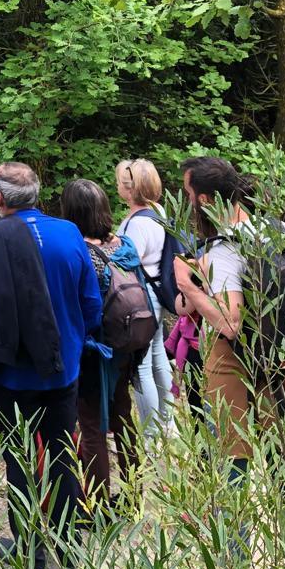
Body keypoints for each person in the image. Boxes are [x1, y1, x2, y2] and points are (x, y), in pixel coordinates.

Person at [0, 162, 101, 569]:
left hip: (12, 378)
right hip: (62, 371)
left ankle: (30, 553)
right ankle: (70, 548)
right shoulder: (69, 234)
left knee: (19, 460)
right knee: (62, 455)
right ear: (38, 194)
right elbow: (92, 305)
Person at [174, 156, 285, 481]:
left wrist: (189, 289)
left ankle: (235, 534)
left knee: (232, 464)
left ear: (205, 200)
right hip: (278, 358)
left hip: (233, 366)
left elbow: (230, 322)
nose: (188, 204)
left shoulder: (224, 249)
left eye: (189, 196)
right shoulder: (278, 229)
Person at [59, 178, 142, 511]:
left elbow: (80, 306)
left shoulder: (81, 252)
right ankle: (135, 496)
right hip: (127, 344)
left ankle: (96, 503)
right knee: (124, 418)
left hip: (96, 350)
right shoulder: (124, 246)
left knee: (92, 426)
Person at [115, 159, 178, 436]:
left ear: (130, 190)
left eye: (119, 182)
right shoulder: (159, 212)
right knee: (158, 357)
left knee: (141, 367)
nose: (117, 186)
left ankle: (152, 431)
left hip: (142, 298)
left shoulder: (137, 223)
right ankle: (168, 421)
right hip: (157, 293)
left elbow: (128, 261)